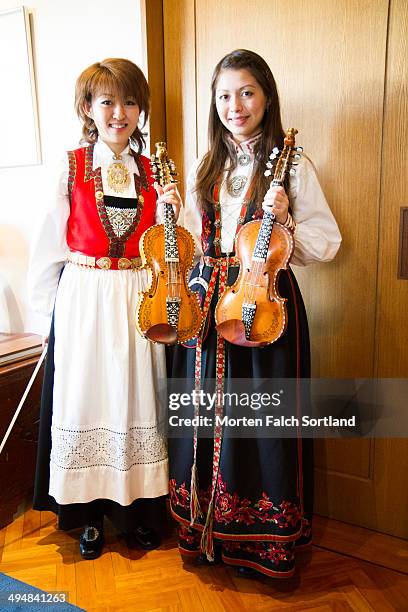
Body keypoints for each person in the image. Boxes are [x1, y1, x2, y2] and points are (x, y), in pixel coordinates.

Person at [168, 49, 342, 578]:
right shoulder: (208, 165)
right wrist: (173, 217)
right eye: (223, 95)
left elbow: (326, 243)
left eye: (246, 92)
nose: (234, 105)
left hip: (264, 306)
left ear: (267, 96)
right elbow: (198, 241)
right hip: (208, 305)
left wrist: (285, 226)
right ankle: (204, 532)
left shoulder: (294, 166)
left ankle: (262, 543)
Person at [28, 58, 181, 559]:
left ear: (141, 110)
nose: (120, 112)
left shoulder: (157, 171)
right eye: (108, 101)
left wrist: (178, 211)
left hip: (138, 295)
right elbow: (49, 244)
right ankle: (88, 515)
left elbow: (176, 243)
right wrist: (44, 317)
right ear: (87, 108)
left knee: (140, 399)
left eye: (131, 101)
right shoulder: (71, 166)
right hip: (86, 296)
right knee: (89, 398)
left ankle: (140, 512)